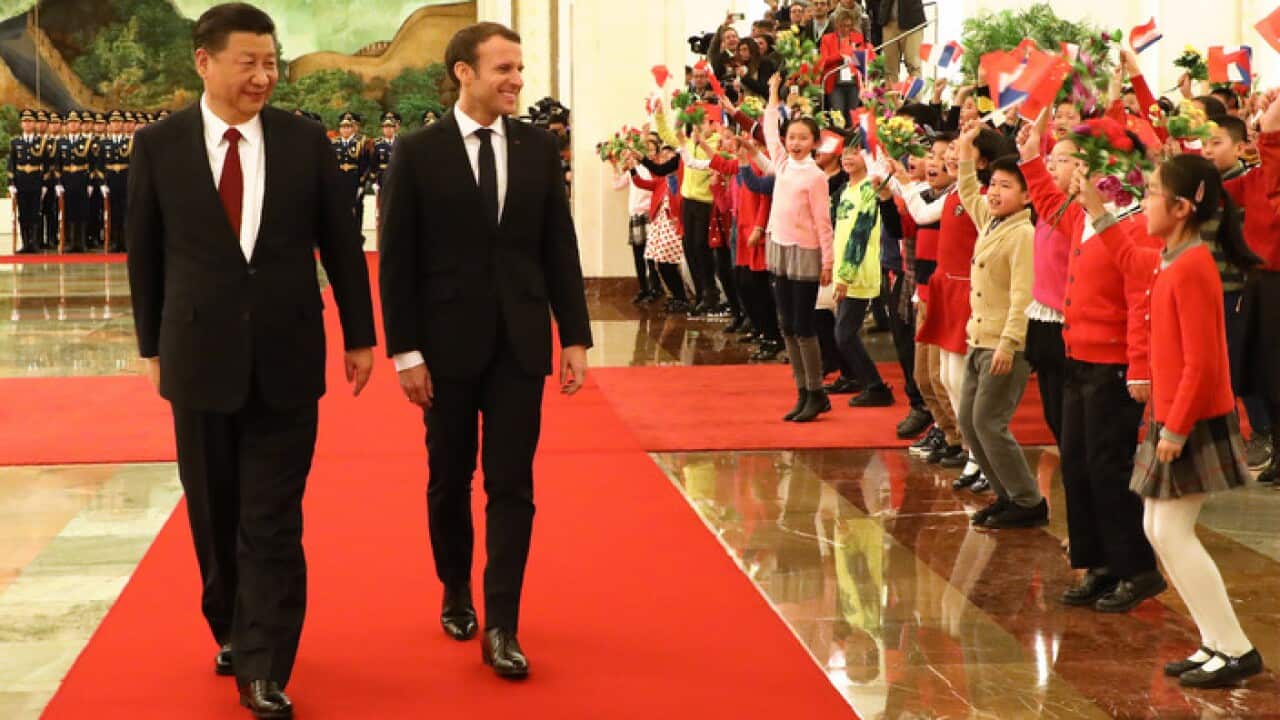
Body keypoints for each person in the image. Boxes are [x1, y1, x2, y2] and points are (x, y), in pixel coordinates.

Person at [125, 4, 377, 717]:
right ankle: (231, 624)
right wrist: (150, 346)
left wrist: (359, 335)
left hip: (287, 355)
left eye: (271, 63)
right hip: (197, 356)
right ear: (203, 62)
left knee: (271, 518)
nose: (264, 77)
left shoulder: (304, 141)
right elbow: (144, 253)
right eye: (249, 63)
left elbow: (340, 243)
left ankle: (265, 664)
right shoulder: (160, 146)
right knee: (214, 511)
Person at [378, 21, 592, 680]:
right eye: (504, 68)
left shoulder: (536, 147)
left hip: (519, 345)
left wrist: (574, 335)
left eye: (519, 68)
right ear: (463, 73)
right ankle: (455, 588)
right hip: (443, 349)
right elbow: (396, 260)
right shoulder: (418, 151)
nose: (517, 80)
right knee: (449, 479)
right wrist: (405, 353)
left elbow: (558, 245)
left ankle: (503, 622)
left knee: (512, 484)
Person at [1080, 151, 1264, 689]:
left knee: (1172, 532)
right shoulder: (1171, 257)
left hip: (1192, 417)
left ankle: (1235, 648)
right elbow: (1129, 258)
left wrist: (1177, 427)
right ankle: (1217, 641)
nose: (1144, 202)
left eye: (1152, 193)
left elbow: (1203, 364)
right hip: (1174, 413)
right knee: (1158, 528)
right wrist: (1096, 210)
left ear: (1182, 208)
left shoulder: (1193, 267)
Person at [949, 127, 1045, 530]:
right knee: (971, 424)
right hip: (978, 338)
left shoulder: (1023, 234)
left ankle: (1028, 500)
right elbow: (968, 189)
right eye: (994, 184)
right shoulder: (991, 222)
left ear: (1027, 196)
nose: (994, 192)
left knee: (989, 423)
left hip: (1004, 345)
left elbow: (1024, 295)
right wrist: (966, 148)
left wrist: (1009, 343)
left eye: (1006, 186)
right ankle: (1006, 495)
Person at [763, 73, 835, 422]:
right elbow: (768, 130)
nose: (795, 143)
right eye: (791, 137)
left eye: (803, 138)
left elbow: (823, 221)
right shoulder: (781, 164)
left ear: (814, 143)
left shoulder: (816, 176)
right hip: (780, 247)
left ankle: (817, 391)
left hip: (806, 253)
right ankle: (802, 390)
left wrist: (827, 261)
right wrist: (773, 95)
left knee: (804, 326)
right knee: (787, 325)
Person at [8, 109, 44, 254]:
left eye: (30, 121)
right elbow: (11, 163)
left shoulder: (40, 142)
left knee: (35, 213)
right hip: (21, 182)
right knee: (23, 214)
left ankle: (34, 243)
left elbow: (46, 164)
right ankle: (25, 243)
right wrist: (11, 183)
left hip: (36, 182)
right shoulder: (15, 142)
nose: (27, 124)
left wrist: (44, 184)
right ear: (21, 124)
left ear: (34, 123)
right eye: (25, 121)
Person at [98, 110, 132, 252]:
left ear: (123, 124)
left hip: (125, 180)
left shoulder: (130, 142)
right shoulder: (104, 143)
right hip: (110, 181)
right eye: (113, 122)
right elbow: (99, 165)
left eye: (119, 122)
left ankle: (126, 242)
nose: (116, 124)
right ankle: (115, 241)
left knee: (126, 212)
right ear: (110, 125)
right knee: (112, 212)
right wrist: (102, 183)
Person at [872, 0, 925, 83]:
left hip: (912, 22)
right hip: (888, 22)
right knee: (889, 67)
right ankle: (891, 91)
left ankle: (915, 91)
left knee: (913, 64)